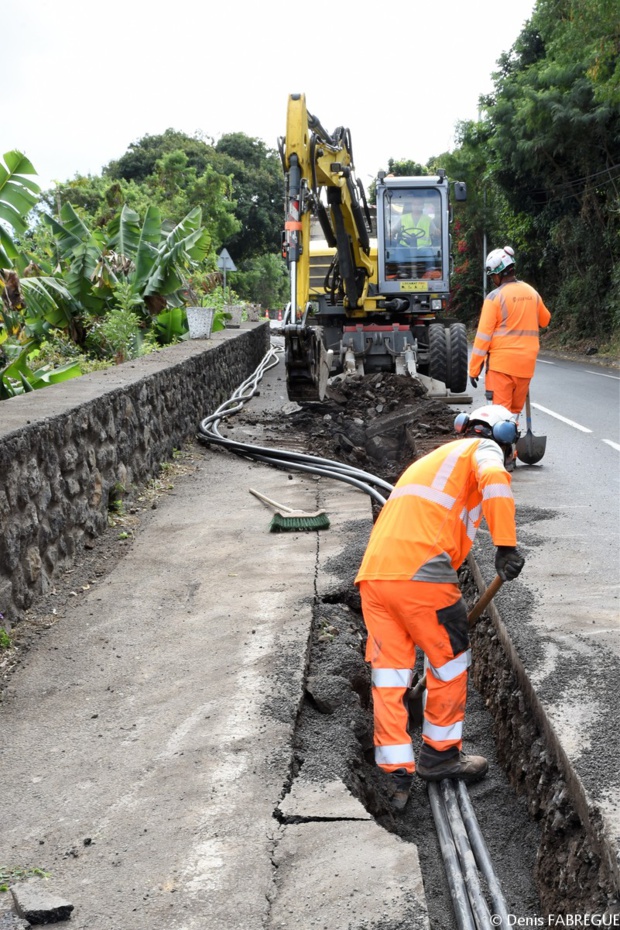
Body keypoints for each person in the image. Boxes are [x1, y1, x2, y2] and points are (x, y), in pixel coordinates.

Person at [354, 404, 525, 811]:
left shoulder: (431, 461)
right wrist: (506, 544)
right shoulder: (481, 450)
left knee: (390, 673)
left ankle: (395, 773)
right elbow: (496, 478)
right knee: (449, 661)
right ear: (500, 435)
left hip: (375, 577)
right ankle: (441, 756)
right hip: (422, 573)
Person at [469, 246, 551, 415]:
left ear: (498, 274)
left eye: (493, 276)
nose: (493, 280)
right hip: (526, 367)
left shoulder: (495, 297)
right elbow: (545, 320)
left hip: (501, 368)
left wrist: (474, 369)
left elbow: (483, 338)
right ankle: (512, 441)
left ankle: (502, 442)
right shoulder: (532, 292)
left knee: (499, 415)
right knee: (513, 413)